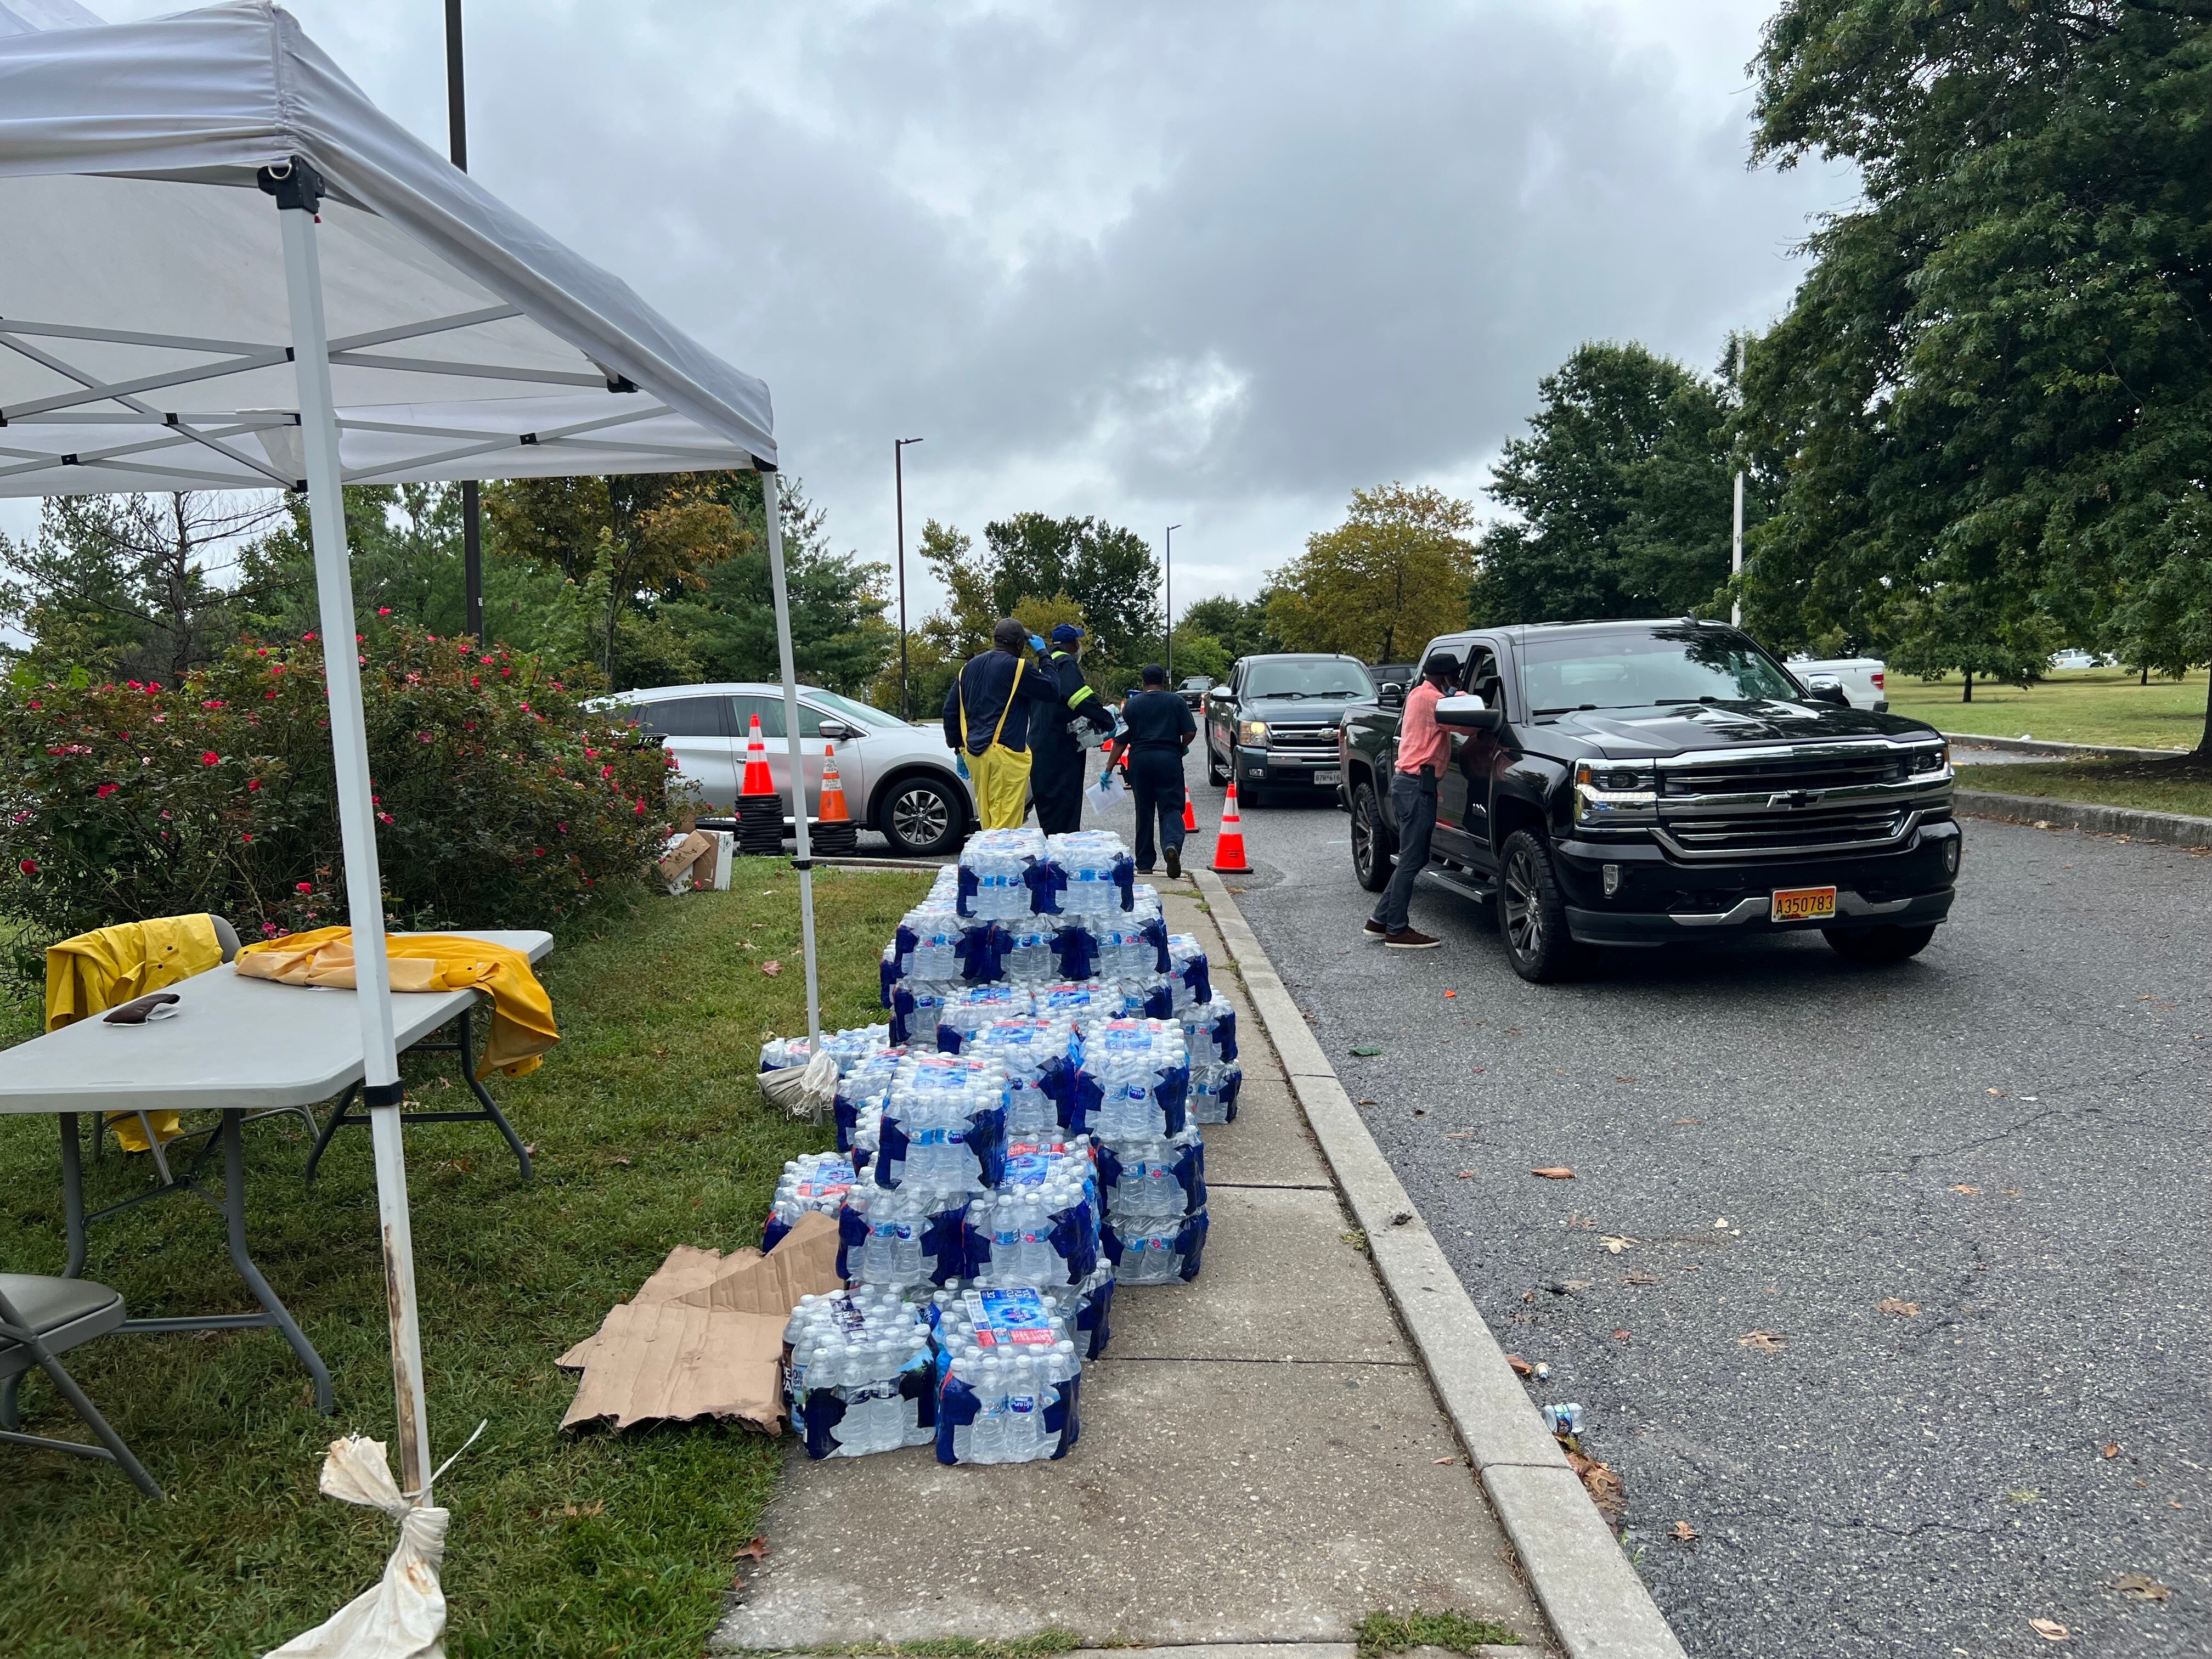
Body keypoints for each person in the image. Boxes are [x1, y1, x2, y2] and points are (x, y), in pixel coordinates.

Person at [1364, 650, 1457, 949]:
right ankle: (1397, 930)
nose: (1456, 681)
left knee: (1412, 856)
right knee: (1412, 858)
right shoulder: (1435, 701)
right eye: (1454, 676)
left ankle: (1380, 921)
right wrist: (1467, 696)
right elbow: (1466, 725)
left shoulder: (1418, 693)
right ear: (1445, 677)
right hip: (1418, 785)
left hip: (1408, 783)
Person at [944, 617, 1064, 831]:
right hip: (1005, 756)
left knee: (989, 819)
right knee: (1005, 827)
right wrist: (1043, 654)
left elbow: (950, 711)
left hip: (975, 755)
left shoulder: (968, 668)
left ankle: (987, 862)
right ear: (1019, 645)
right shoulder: (1018, 668)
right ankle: (998, 864)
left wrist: (957, 749)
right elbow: (1053, 690)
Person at [1106, 663, 1197, 877]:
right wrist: (1180, 747)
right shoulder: (1176, 701)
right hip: (1169, 759)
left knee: (1144, 810)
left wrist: (1109, 768)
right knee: (1172, 807)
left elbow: (1121, 740)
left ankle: (1145, 863)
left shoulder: (1132, 705)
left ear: (1143, 682)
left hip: (1141, 760)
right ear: (1163, 681)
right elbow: (1191, 731)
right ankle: (1171, 845)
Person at [1030, 622, 1118, 834]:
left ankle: (1051, 853)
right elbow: (1079, 698)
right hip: (1061, 749)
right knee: (1065, 809)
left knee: (1049, 811)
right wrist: (1108, 721)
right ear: (1072, 644)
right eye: (1077, 642)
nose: (1079, 646)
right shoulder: (1065, 663)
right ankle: (1064, 857)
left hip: (1039, 745)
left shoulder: (1043, 665)